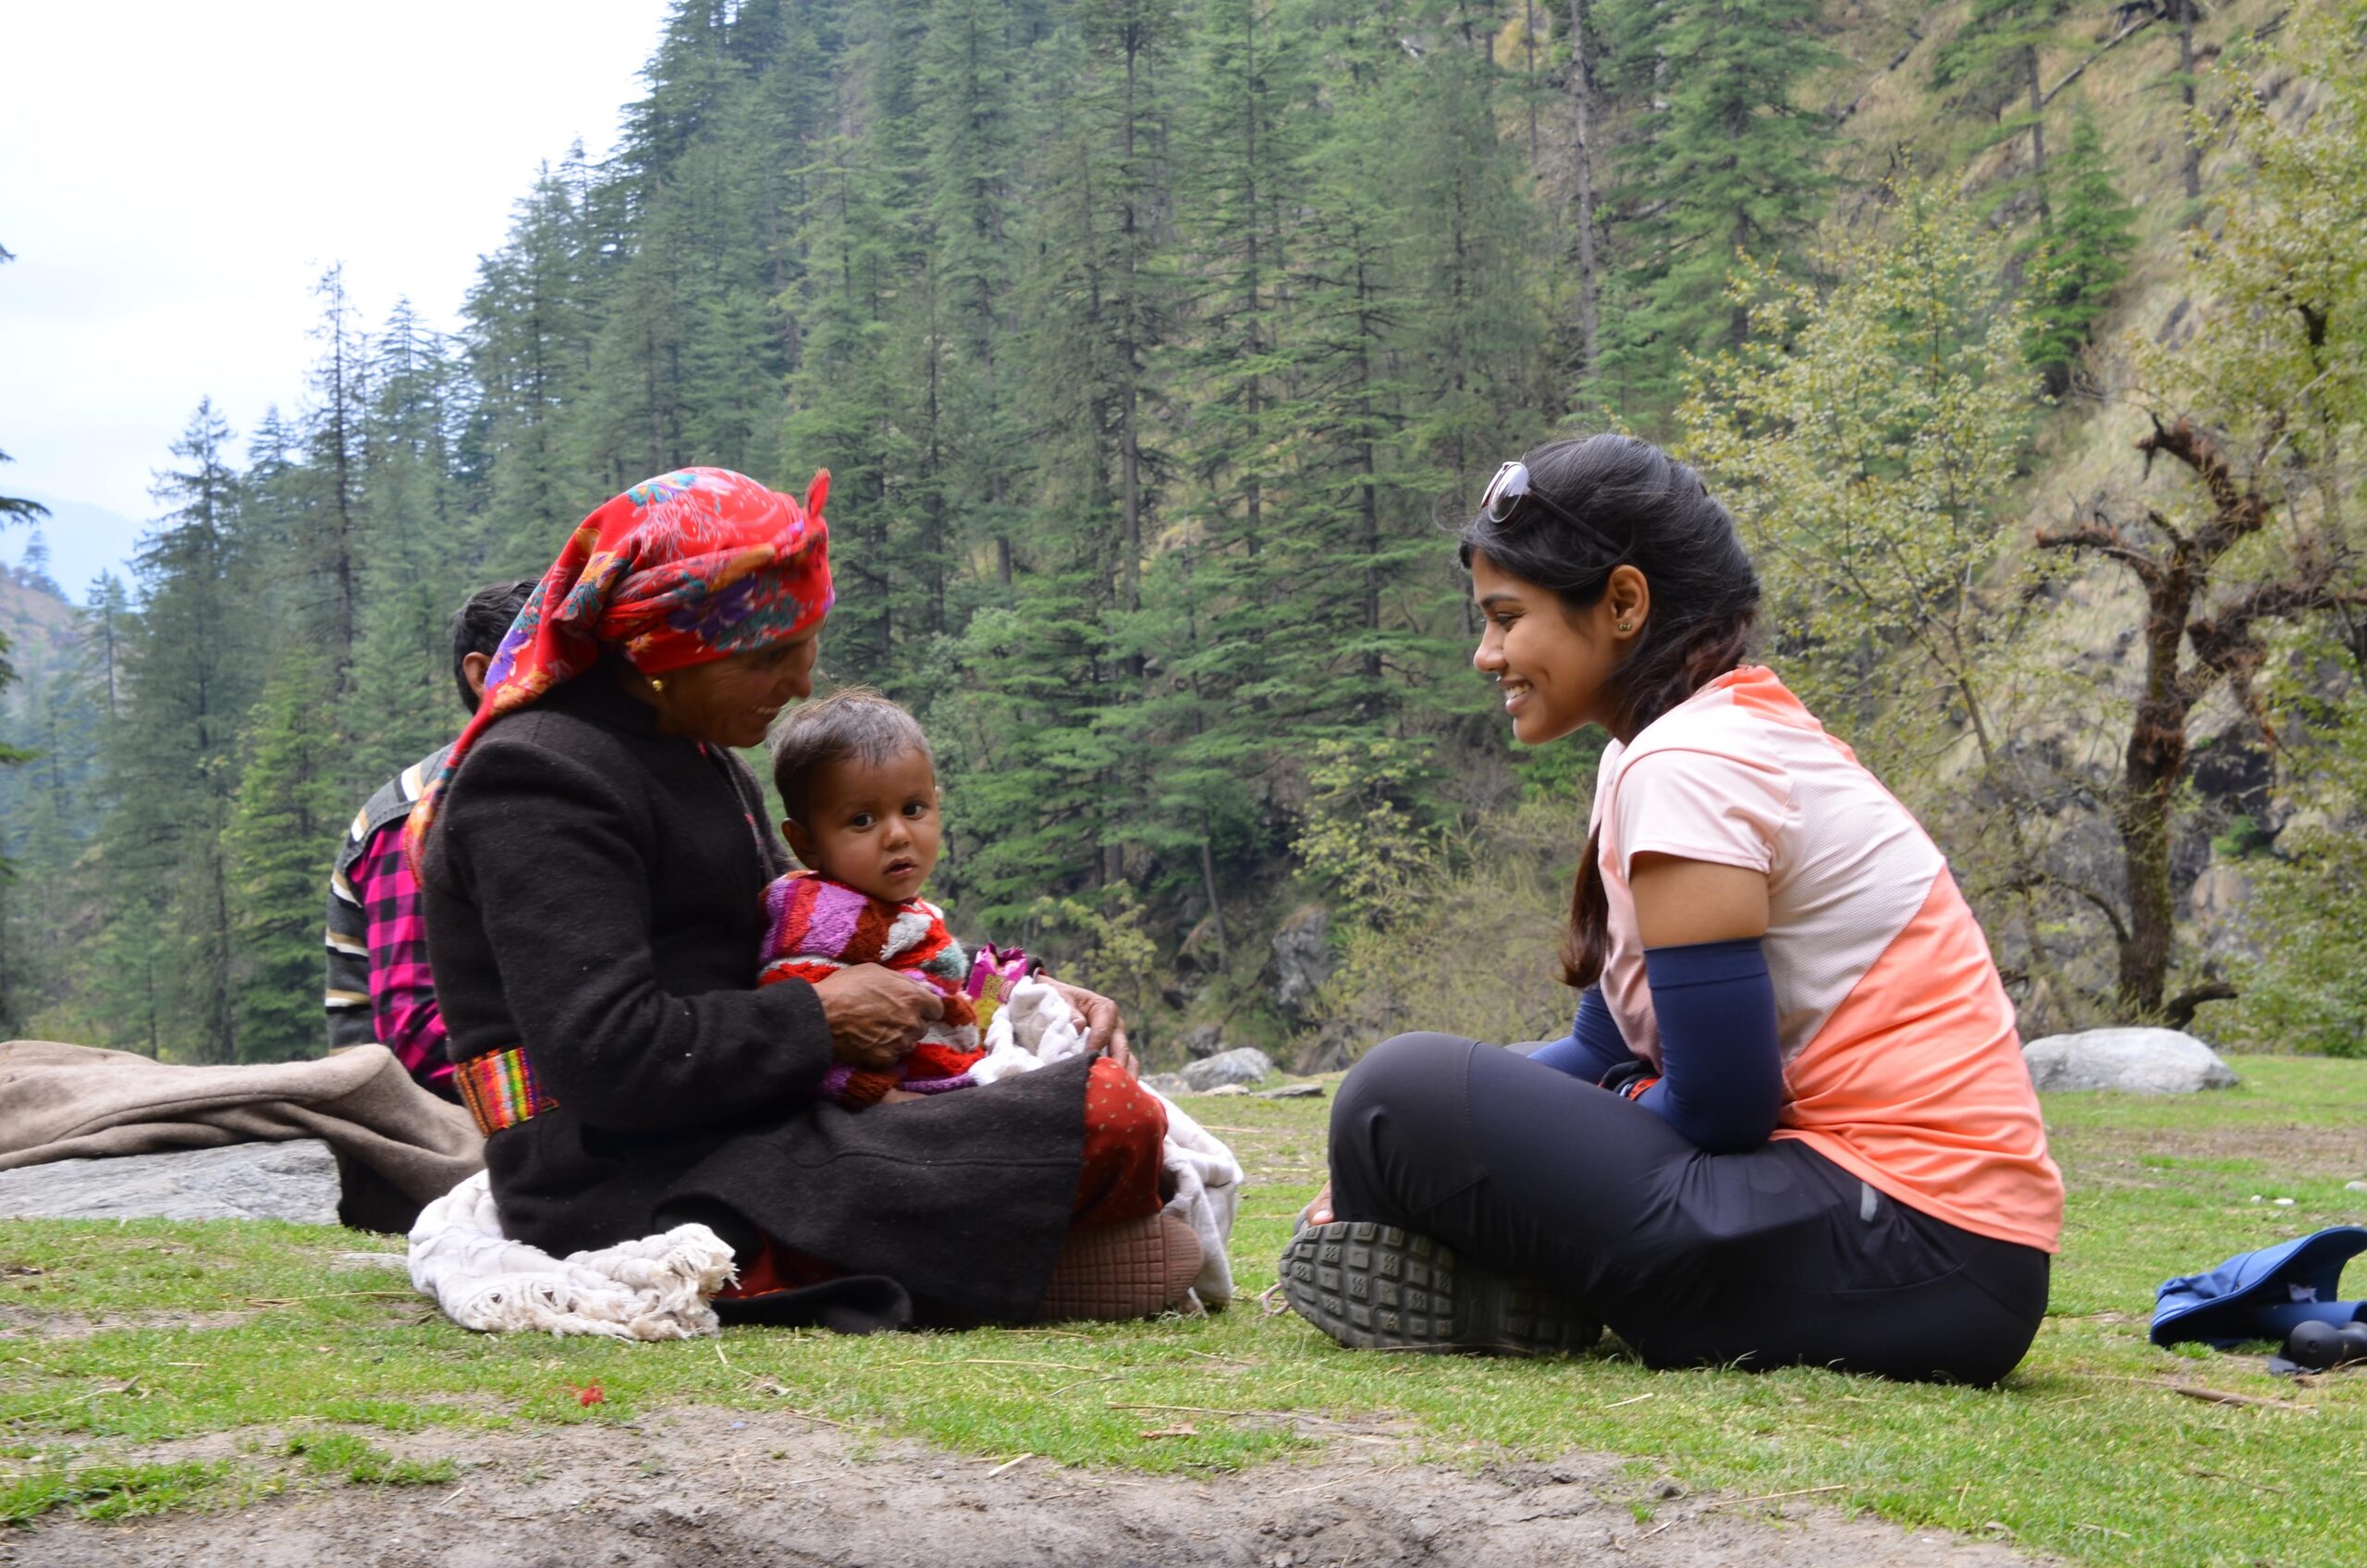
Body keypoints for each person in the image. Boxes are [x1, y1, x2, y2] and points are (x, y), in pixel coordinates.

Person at [1282, 435, 2064, 1384]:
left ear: (1620, 603)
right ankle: (1515, 1289)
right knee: (1405, 1113)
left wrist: (1424, 1141)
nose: (1484, 654)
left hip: (1916, 1246)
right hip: (1925, 1251)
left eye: (1504, 617)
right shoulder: (1666, 750)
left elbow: (1724, 1109)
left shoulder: (1688, 764)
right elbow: (1603, 1048)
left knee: (1393, 1092)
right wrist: (1448, 1152)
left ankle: (1515, 1280)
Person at [411, 467, 1199, 1330]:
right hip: (620, 1173)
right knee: (1107, 1124)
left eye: (806, 643)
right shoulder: (537, 778)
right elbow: (608, 1054)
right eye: (767, 657)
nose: (797, 684)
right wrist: (817, 1020)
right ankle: (840, 1263)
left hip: (749, 1122)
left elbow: (821, 932)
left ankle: (985, 1254)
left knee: (1117, 1106)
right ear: (667, 648)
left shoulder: (700, 760)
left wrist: (1019, 992)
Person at [325, 578, 536, 1099]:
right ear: (484, 674)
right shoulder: (416, 812)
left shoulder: (546, 789)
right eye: (554, 656)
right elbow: (419, 1039)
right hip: (420, 1114)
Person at [758, 690, 997, 1107]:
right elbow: (805, 1040)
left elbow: (947, 977)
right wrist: (883, 1098)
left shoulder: (890, 906)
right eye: (862, 820)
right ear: (806, 842)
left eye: (913, 809)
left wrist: (1007, 984)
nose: (897, 835)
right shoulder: (820, 918)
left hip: (956, 1073)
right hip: (909, 1102)